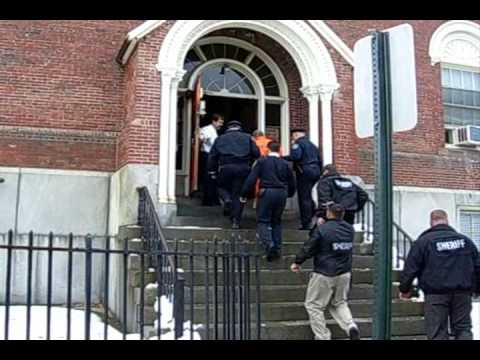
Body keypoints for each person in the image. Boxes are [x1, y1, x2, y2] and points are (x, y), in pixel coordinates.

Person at [399, 209, 480, 340]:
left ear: (431, 222)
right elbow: (477, 266)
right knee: (463, 329)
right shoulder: (465, 241)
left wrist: (405, 289)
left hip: (436, 294)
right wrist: (476, 289)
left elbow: (410, 268)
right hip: (462, 293)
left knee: (437, 332)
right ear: (447, 221)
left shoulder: (423, 242)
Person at [291, 203, 360, 340]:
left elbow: (309, 246)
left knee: (313, 305)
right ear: (343, 214)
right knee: (339, 303)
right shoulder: (349, 229)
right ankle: (350, 326)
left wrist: (298, 261)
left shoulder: (323, 229)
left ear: (329, 213)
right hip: (344, 273)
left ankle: (323, 336)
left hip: (324, 272)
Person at [240, 141, 296, 261]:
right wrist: (290, 193)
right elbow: (292, 182)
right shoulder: (286, 164)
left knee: (263, 220)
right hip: (281, 193)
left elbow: (252, 178)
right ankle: (277, 246)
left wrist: (244, 193)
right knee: (276, 221)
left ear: (268, 149)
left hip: (266, 191)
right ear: (279, 149)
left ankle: (269, 244)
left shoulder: (262, 161)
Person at [208, 120, 260, 229]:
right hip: (243, 168)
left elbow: (212, 156)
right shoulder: (248, 137)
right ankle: (236, 221)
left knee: (220, 187)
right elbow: (256, 153)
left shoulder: (220, 138)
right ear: (240, 127)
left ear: (228, 128)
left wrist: (212, 171)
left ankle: (226, 199)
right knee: (239, 195)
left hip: (225, 168)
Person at [283, 129, 322, 230]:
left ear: (296, 135)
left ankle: (306, 223)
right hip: (316, 170)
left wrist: (283, 158)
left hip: (304, 171)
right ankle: (313, 211)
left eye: (293, 136)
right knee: (308, 195)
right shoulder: (313, 145)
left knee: (303, 197)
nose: (292, 138)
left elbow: (296, 156)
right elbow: (320, 159)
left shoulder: (298, 143)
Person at [199, 114, 224, 206]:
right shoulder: (207, 130)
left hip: (212, 156)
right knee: (208, 178)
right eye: (220, 122)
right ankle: (207, 200)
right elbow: (201, 138)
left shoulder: (214, 131)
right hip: (208, 156)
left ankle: (213, 199)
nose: (221, 124)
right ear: (214, 121)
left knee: (213, 178)